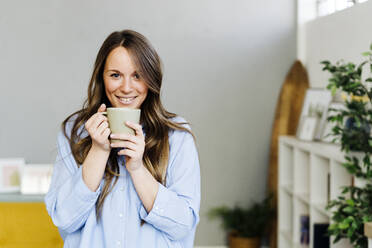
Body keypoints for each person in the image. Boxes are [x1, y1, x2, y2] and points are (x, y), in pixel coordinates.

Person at [45, 29, 201, 248]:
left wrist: (137, 168)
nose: (126, 88)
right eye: (115, 75)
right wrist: (98, 151)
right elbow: (64, 219)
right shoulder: (76, 131)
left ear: (151, 79)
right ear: (102, 77)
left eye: (137, 75)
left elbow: (183, 225)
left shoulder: (176, 135)